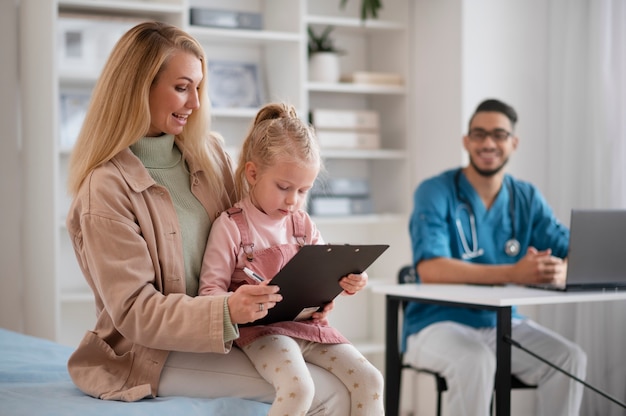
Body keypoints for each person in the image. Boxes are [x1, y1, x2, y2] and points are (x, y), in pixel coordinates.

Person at [64, 21, 364, 414]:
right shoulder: (105, 189)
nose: (195, 103)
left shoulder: (210, 156)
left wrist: (309, 298)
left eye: (199, 88)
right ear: (139, 87)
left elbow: (258, 238)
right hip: (150, 353)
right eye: (181, 87)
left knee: (354, 380)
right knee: (328, 391)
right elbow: (135, 311)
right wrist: (227, 310)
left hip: (235, 332)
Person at [403, 98, 587, 416]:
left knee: (569, 358)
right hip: (436, 324)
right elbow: (431, 269)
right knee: (475, 359)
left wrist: (562, 269)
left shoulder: (526, 197)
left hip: (501, 323)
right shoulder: (435, 191)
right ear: (466, 141)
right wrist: (514, 273)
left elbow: (576, 249)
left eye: (499, 135)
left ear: (513, 143)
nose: (488, 143)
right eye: (479, 134)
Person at [198, 102, 385, 416]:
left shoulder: (303, 224)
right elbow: (208, 294)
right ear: (253, 173)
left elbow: (327, 272)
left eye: (303, 191)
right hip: (264, 332)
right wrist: (236, 302)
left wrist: (350, 281)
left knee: (371, 379)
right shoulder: (230, 226)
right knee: (300, 389)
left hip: (311, 327)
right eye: (284, 187)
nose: (293, 200)